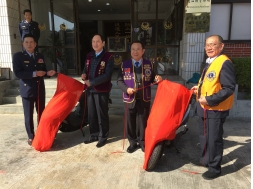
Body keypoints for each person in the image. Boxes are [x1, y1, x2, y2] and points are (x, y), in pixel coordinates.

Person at [191, 35, 236, 180]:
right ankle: (205, 160)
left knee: (214, 139)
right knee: (204, 137)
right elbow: (210, 83)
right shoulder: (210, 62)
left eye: (213, 44)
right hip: (204, 108)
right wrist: (198, 88)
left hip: (216, 109)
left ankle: (215, 168)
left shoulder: (224, 62)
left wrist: (209, 100)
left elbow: (228, 88)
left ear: (221, 46)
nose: (209, 48)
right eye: (207, 45)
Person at [117, 41, 162, 153]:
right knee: (130, 122)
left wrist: (157, 79)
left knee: (143, 122)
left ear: (143, 51)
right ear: (130, 51)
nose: (135, 51)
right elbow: (119, 81)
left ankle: (142, 142)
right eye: (133, 49)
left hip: (144, 97)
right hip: (129, 98)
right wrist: (126, 89)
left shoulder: (149, 64)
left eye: (138, 49)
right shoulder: (124, 64)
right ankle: (132, 142)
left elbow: (153, 79)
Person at [13, 34, 56, 145]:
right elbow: (18, 73)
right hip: (27, 90)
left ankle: (42, 133)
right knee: (28, 115)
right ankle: (31, 136)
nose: (29, 44)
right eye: (26, 42)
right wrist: (34, 73)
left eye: (31, 42)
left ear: (35, 44)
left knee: (41, 114)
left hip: (39, 89)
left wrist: (48, 73)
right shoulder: (18, 56)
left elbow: (43, 71)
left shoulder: (39, 56)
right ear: (23, 43)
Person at [81, 34, 114, 148]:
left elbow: (107, 75)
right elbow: (86, 68)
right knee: (92, 114)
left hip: (102, 90)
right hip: (90, 90)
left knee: (101, 115)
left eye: (98, 41)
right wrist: (84, 74)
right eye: (93, 41)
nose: (95, 44)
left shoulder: (108, 57)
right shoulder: (89, 55)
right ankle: (94, 135)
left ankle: (103, 136)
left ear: (103, 43)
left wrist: (93, 82)